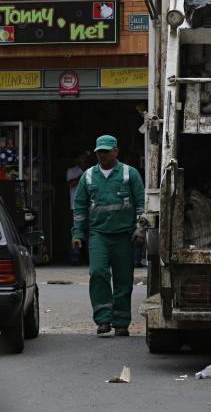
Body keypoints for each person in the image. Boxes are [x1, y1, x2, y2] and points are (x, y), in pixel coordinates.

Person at [71, 135, 145, 337]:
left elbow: (141, 203)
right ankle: (103, 319)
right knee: (97, 273)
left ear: (116, 152)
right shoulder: (88, 177)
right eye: (99, 152)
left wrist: (141, 228)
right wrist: (77, 233)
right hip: (99, 235)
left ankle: (121, 322)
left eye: (106, 151)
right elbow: (79, 207)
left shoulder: (130, 174)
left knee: (123, 279)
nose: (102, 155)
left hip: (124, 236)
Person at [66, 152, 91, 266]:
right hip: (75, 207)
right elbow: (70, 184)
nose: (85, 160)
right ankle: (75, 258)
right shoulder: (72, 171)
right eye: (82, 158)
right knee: (76, 233)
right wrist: (82, 176)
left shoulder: (92, 171)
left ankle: (91, 258)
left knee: (91, 233)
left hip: (90, 207)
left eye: (86, 159)